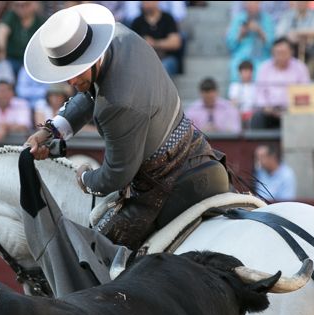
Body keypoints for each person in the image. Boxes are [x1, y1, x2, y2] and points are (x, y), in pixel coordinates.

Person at [23, 3, 228, 250]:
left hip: (162, 184)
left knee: (92, 251)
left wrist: (84, 178)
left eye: (76, 72)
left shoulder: (116, 105)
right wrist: (50, 131)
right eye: (66, 73)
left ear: (92, 56)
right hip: (195, 150)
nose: (71, 81)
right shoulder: (120, 35)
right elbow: (92, 88)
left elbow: (115, 176)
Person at [251, 37, 311, 129]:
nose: (280, 56)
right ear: (272, 52)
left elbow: (305, 92)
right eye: (277, 53)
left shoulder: (300, 68)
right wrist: (267, 108)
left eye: (283, 53)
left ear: (291, 52)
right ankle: (260, 144)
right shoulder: (263, 68)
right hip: (269, 111)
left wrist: (292, 109)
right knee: (257, 117)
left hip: (293, 111)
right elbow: (259, 93)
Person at [228, 60, 257, 124]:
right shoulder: (234, 86)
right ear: (239, 73)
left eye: (250, 72)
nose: (248, 74)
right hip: (239, 115)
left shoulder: (256, 87)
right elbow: (233, 103)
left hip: (253, 115)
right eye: (245, 72)